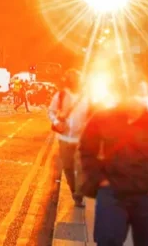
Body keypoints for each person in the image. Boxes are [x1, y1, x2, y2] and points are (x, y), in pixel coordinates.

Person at [80, 93, 148, 246]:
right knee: (107, 241)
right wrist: (100, 180)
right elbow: (86, 150)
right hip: (113, 194)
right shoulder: (102, 119)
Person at [49, 69, 88, 207]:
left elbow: (93, 115)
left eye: (77, 78)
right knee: (68, 168)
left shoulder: (86, 97)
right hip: (64, 139)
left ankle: (79, 194)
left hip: (81, 140)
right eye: (72, 79)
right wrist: (56, 122)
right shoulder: (60, 96)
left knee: (81, 167)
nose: (75, 81)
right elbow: (51, 112)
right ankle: (74, 191)